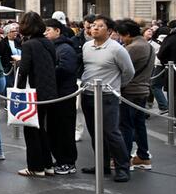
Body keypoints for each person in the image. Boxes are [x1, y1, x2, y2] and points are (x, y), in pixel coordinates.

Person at [81, 15, 134, 183]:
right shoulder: (86, 46)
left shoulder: (117, 49)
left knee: (112, 132)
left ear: (110, 31)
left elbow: (129, 72)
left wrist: (115, 86)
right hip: (87, 93)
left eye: (99, 26)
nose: (94, 28)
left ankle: (122, 168)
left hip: (107, 96)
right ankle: (102, 165)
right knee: (95, 132)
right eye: (93, 25)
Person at [15, 12, 58, 177]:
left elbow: (24, 70)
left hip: (34, 92)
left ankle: (35, 167)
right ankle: (47, 165)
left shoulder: (28, 45)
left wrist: (18, 91)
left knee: (31, 129)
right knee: (41, 129)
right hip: (49, 91)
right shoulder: (48, 42)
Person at [116, 19, 155, 171]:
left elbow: (120, 68)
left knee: (125, 125)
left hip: (130, 91)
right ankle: (143, 157)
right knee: (139, 125)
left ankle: (124, 159)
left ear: (127, 34)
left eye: (121, 36)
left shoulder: (133, 48)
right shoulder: (147, 45)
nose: (120, 39)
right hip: (143, 90)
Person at [44, 18, 78, 174]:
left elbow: (65, 69)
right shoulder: (55, 47)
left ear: (57, 31)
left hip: (64, 94)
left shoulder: (65, 49)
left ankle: (67, 161)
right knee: (55, 128)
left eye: (48, 30)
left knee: (64, 129)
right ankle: (61, 159)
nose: (45, 33)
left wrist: (47, 71)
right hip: (56, 93)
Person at [144, 26, 168, 113]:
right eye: (148, 31)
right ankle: (149, 103)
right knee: (151, 85)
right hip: (154, 66)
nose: (150, 33)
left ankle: (164, 106)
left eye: (151, 31)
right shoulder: (146, 43)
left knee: (154, 85)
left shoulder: (155, 43)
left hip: (155, 66)